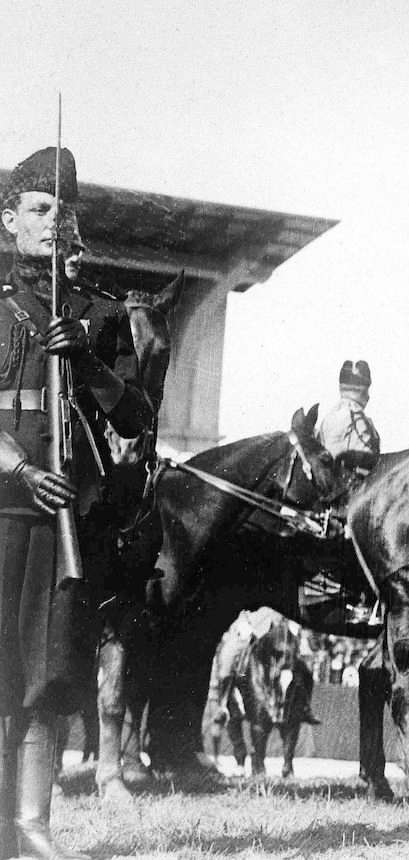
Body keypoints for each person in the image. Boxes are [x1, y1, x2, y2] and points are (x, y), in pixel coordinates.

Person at [0, 146, 153, 859]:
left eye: (64, 212)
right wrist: (21, 467)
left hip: (65, 525)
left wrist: (87, 362)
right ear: (9, 221)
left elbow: (133, 419)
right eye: (39, 208)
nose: (54, 223)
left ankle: (30, 828)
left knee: (48, 677)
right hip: (4, 508)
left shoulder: (99, 315)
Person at [315, 360, 380, 478]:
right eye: (367, 390)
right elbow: (367, 456)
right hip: (353, 483)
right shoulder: (355, 414)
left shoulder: (330, 416)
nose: (368, 396)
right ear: (361, 390)